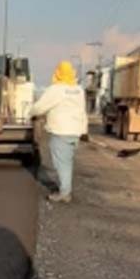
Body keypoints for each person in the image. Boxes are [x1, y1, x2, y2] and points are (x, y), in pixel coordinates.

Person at [30, 61, 88, 203]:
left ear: (58, 73)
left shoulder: (56, 89)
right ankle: (65, 189)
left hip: (61, 131)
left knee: (61, 163)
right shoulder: (79, 90)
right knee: (67, 162)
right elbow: (83, 111)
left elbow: (40, 107)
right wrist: (84, 130)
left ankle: (64, 193)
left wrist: (30, 113)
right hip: (75, 132)